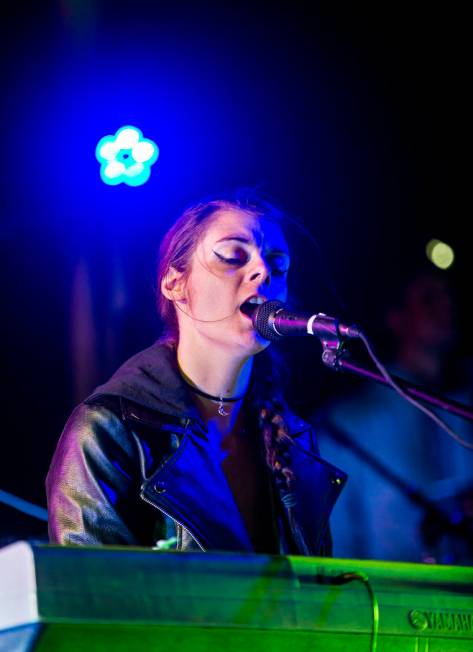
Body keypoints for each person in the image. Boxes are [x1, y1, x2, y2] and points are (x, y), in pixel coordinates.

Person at [46, 193, 347, 554]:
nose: (263, 271)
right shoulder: (106, 430)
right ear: (175, 284)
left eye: (278, 265)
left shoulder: (293, 439)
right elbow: (91, 597)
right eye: (233, 256)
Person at [314, 267, 473, 563]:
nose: (446, 307)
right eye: (428, 299)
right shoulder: (349, 421)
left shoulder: (464, 403)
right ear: (396, 318)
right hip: (392, 596)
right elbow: (336, 538)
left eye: (448, 297)